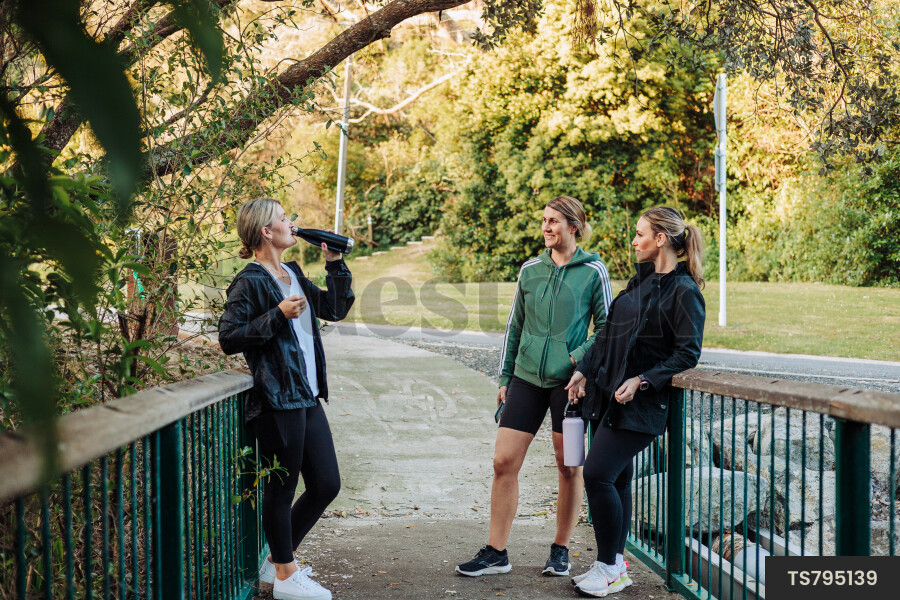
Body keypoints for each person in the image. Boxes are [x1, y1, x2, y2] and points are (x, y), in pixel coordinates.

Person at [456, 196, 613, 578]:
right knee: (503, 462)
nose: (546, 227)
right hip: (526, 378)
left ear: (573, 226)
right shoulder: (530, 270)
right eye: (544, 220)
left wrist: (578, 358)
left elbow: (609, 330)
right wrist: (505, 377)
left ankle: (560, 549)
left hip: (569, 385)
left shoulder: (594, 271)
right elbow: (515, 327)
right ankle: (496, 552)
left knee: (568, 465)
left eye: (554, 221)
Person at [564, 207, 705, 597]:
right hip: (606, 397)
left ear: (661, 238)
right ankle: (615, 564)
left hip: (640, 405)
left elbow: (687, 353)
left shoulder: (684, 291)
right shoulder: (638, 283)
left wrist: (643, 380)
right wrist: (585, 371)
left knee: (596, 474)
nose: (634, 240)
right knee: (619, 479)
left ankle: (608, 565)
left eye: (640, 233)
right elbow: (609, 336)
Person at [218, 198, 354, 600]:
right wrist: (276, 314)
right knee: (282, 488)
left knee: (326, 483)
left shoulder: (292, 272)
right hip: (277, 401)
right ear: (266, 231)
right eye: (283, 218)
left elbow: (333, 308)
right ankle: (285, 576)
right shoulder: (250, 281)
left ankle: (278, 561)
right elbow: (228, 337)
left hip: (307, 397)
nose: (291, 222)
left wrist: (334, 264)